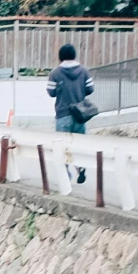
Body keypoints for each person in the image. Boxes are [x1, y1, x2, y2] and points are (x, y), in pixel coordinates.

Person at [47, 43, 97, 185]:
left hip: (63, 114)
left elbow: (51, 92)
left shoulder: (55, 73)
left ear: (60, 57)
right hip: (80, 115)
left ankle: (66, 175)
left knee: (61, 147)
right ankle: (80, 168)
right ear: (74, 55)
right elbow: (90, 89)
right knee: (79, 144)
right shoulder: (84, 71)